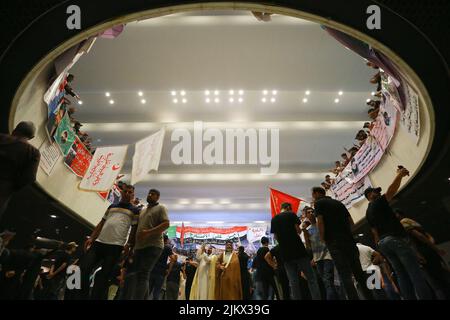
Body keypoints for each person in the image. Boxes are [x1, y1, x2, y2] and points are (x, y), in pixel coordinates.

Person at [365, 167, 432, 300]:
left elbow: (374, 231)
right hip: (394, 240)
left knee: (402, 275)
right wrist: (400, 175)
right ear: (369, 196)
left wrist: (379, 245)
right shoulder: (377, 202)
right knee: (415, 273)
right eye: (374, 192)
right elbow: (391, 191)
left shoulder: (368, 212)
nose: (378, 193)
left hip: (384, 243)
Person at [79, 183, 140, 299]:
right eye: (125, 191)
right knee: (84, 268)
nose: (127, 194)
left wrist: (129, 245)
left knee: (104, 277)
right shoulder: (112, 206)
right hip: (99, 243)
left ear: (133, 194)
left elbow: (134, 229)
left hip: (115, 246)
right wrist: (92, 237)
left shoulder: (135, 210)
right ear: (122, 192)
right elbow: (102, 222)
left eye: (130, 192)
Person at [312, 186, 373, 300]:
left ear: (316, 193)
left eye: (313, 195)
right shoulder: (338, 203)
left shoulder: (319, 203)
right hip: (348, 241)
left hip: (334, 242)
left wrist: (323, 238)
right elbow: (351, 222)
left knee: (345, 274)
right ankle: (370, 297)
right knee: (359, 272)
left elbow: (320, 222)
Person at [394, 209, 450, 299]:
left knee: (436, 279)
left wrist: (419, 253)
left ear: (399, 215)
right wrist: (433, 246)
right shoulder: (412, 221)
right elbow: (428, 235)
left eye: (395, 215)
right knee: (441, 273)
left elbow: (419, 237)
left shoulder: (403, 223)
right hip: (428, 249)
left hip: (423, 250)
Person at [270, 202, 321, 300]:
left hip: (285, 254)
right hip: (298, 250)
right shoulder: (291, 215)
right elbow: (298, 230)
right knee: (311, 278)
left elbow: (276, 237)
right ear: (289, 208)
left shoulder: (274, 219)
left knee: (293, 281)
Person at [133, 188, 170, 300]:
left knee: (143, 274)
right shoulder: (143, 209)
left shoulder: (161, 208)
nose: (150, 195)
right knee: (141, 275)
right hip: (140, 246)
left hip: (154, 246)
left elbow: (166, 224)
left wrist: (148, 233)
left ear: (157, 197)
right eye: (149, 193)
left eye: (153, 194)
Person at [0, 121, 40, 220]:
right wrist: (11, 186)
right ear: (31, 137)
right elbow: (29, 177)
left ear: (14, 130)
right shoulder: (33, 152)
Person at [302, 207, 338, 300]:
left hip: (327, 256)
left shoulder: (321, 224)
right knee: (326, 282)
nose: (311, 214)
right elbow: (308, 246)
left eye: (312, 211)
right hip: (317, 259)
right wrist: (304, 231)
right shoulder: (308, 230)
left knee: (328, 281)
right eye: (308, 213)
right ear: (306, 216)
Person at [146, 234, 174, 300]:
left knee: (148, 290)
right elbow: (173, 259)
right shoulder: (167, 247)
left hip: (152, 270)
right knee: (157, 292)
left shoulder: (156, 245)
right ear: (166, 240)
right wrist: (169, 270)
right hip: (161, 272)